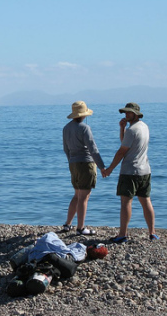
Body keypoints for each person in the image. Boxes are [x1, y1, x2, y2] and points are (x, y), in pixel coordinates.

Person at [104, 102, 159, 243]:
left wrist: (110, 168)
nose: (126, 115)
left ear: (135, 114)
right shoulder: (144, 127)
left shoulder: (132, 130)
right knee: (145, 200)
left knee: (125, 202)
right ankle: (152, 232)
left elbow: (122, 151)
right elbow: (126, 143)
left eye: (128, 113)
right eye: (125, 113)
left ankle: (122, 234)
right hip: (145, 170)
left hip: (130, 171)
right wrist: (122, 128)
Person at [63, 101, 106, 235]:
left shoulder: (66, 128)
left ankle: (67, 224)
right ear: (84, 115)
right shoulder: (84, 128)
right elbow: (92, 149)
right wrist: (102, 166)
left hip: (73, 163)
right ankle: (80, 228)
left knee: (77, 195)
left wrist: (71, 161)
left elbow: (66, 149)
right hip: (86, 163)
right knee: (84, 197)